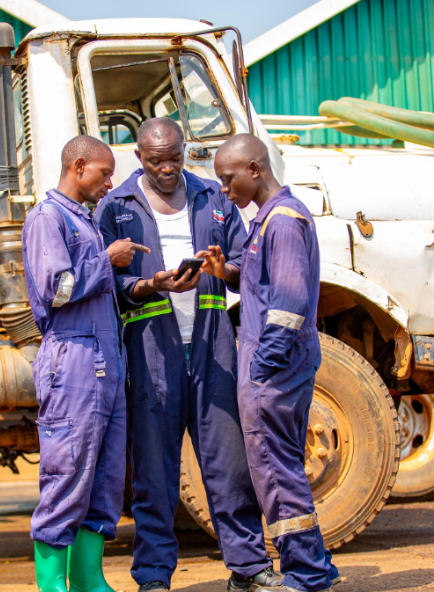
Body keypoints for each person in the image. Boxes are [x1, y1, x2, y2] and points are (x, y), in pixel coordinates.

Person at [95, 118, 280, 592]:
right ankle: (154, 577)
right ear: (140, 156)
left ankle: (248, 568)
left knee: (229, 465)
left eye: (175, 158)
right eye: (157, 161)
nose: (168, 168)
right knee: (153, 474)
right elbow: (106, 283)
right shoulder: (115, 207)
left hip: (211, 347)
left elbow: (246, 263)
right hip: (151, 354)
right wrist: (150, 284)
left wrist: (222, 269)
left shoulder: (212, 197)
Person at [213, 134, 340, 592]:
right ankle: (315, 567)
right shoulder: (268, 219)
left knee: (276, 472)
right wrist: (225, 273)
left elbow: (288, 303)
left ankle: (306, 575)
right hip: (278, 365)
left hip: (275, 368)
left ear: (254, 169)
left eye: (228, 178)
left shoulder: (282, 222)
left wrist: (261, 368)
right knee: (281, 468)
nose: (225, 189)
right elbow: (261, 285)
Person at [22, 135, 149, 592]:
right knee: (67, 470)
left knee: (106, 475)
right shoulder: (47, 218)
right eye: (104, 173)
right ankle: (52, 584)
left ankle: (88, 578)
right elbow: (56, 290)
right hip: (72, 362)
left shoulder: (85, 220)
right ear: (78, 166)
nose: (109, 183)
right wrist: (106, 259)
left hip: (105, 362)